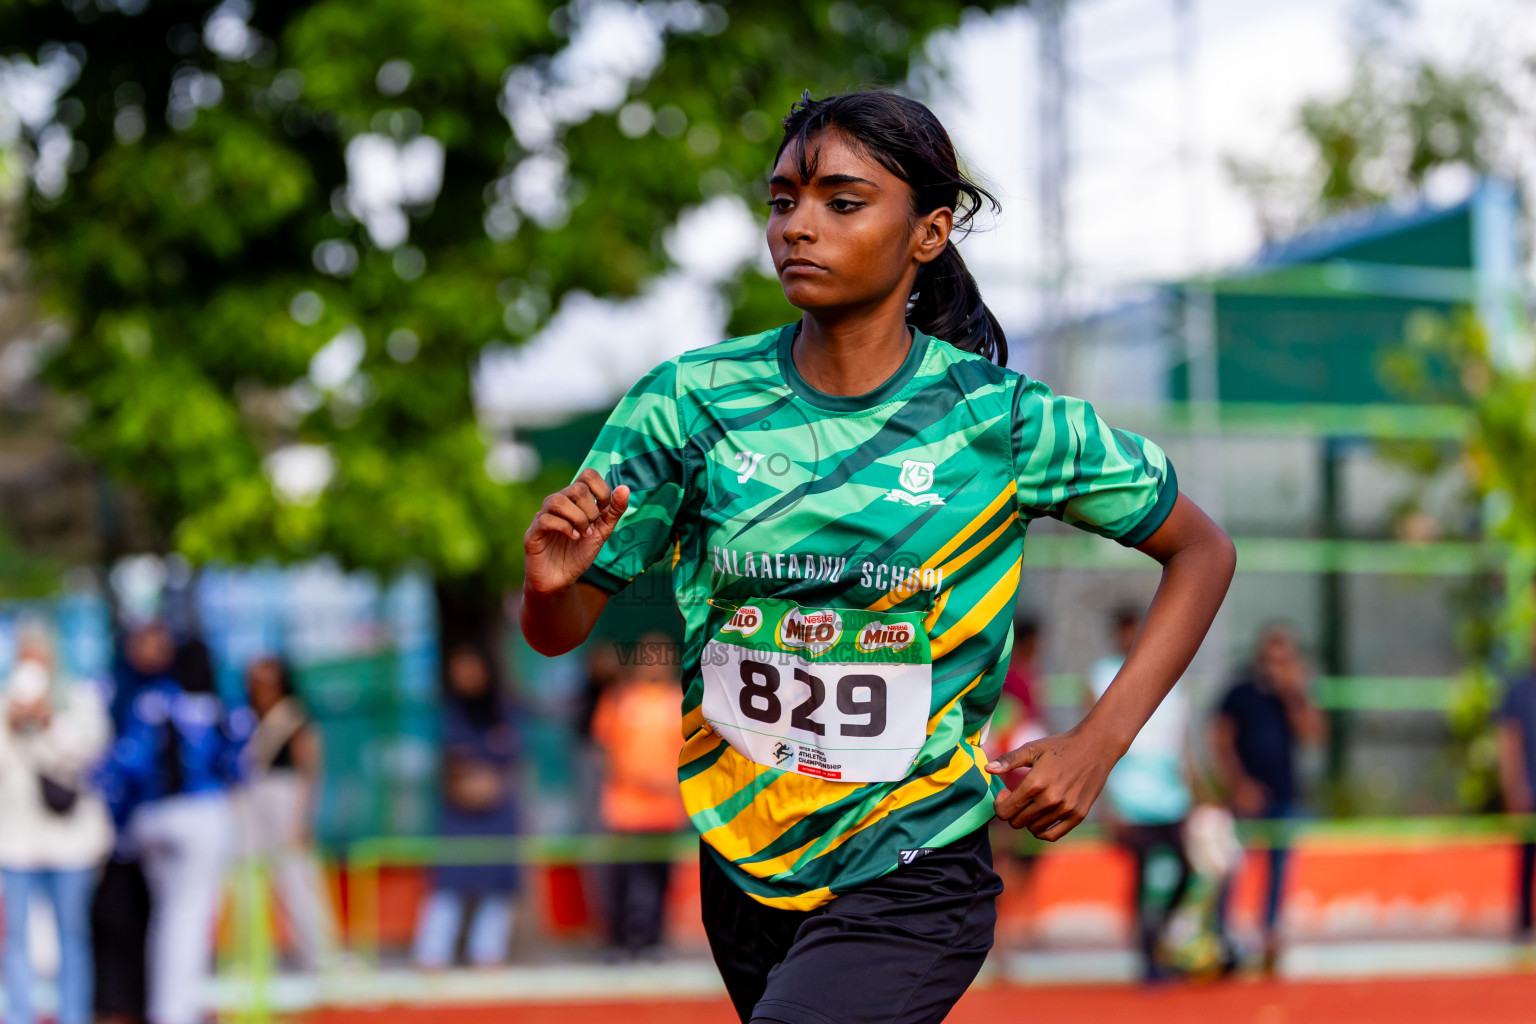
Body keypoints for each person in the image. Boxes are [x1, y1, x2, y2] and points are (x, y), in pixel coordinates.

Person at [520, 89, 1236, 1024]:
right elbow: (557, 631)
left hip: (917, 856)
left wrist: (1098, 745)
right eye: (783, 202)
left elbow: (1202, 550)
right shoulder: (688, 403)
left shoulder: (1003, 421)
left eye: (841, 202)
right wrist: (548, 586)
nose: (798, 228)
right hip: (743, 858)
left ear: (928, 233)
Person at [103, 634, 246, 1024]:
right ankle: (177, 1010)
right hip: (201, 814)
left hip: (151, 818)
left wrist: (119, 821)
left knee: (167, 917)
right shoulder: (220, 707)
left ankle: (168, 1005)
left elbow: (122, 765)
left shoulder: (152, 700)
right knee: (192, 917)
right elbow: (238, 766)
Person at [0, 631, 114, 1024]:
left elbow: (90, 756)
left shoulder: (80, 699)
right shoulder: (4, 704)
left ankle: (74, 1015)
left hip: (70, 842)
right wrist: (12, 722)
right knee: (16, 940)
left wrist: (50, 722)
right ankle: (17, 1015)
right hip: (16, 843)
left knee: (72, 936)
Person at [1086, 608, 1193, 981]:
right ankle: (1147, 956)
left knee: (1186, 871)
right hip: (1130, 799)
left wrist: (1198, 792)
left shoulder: (1168, 675)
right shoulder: (1100, 676)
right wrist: (1104, 803)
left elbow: (1181, 742)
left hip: (1172, 797)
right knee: (1145, 873)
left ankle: (1158, 937)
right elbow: (1090, 743)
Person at [1211, 622, 1325, 974]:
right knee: (1232, 869)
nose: (1277, 666)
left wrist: (1294, 695)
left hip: (1284, 798)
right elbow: (1220, 740)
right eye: (1271, 658)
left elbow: (1314, 735)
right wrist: (1238, 785)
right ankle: (1221, 940)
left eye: (1284, 659)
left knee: (1279, 871)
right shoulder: (1241, 693)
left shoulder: (1295, 696)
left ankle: (1271, 938)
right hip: (1247, 798)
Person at [411, 643, 521, 969]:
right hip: (456, 814)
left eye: (472, 668)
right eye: (460, 670)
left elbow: (512, 758)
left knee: (497, 887)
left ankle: (488, 954)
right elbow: (449, 760)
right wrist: (468, 783)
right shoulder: (447, 712)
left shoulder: (505, 710)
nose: (467, 676)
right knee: (448, 884)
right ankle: (433, 955)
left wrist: (490, 783)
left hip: (498, 814)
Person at [235, 656, 339, 971]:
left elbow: (311, 770)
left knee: (298, 879)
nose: (263, 689)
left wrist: (303, 818)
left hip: (287, 797)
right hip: (251, 798)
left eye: (269, 681)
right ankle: (250, 961)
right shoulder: (243, 720)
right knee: (247, 880)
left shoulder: (293, 716)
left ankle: (322, 959)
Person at [590, 633, 688, 959]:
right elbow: (604, 749)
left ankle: (651, 942)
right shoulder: (621, 698)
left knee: (659, 878)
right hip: (625, 808)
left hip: (665, 810)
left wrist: (671, 784)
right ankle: (618, 942)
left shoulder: (681, 701)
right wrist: (638, 778)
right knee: (621, 878)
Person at [1496, 620, 1536, 939]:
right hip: (1531, 790)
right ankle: (1523, 920)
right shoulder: (1520, 689)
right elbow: (1509, 741)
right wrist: (1514, 786)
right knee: (1527, 857)